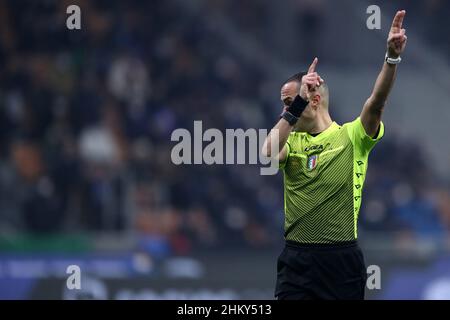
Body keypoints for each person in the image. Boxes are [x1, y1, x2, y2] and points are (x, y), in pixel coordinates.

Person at [262, 10, 408, 299]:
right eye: (286, 105)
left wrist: (391, 58)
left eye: (291, 102)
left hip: (340, 261)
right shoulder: (292, 142)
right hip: (297, 261)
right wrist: (296, 105)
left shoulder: (352, 136)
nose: (285, 111)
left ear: (315, 100)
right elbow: (266, 154)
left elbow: (376, 103)